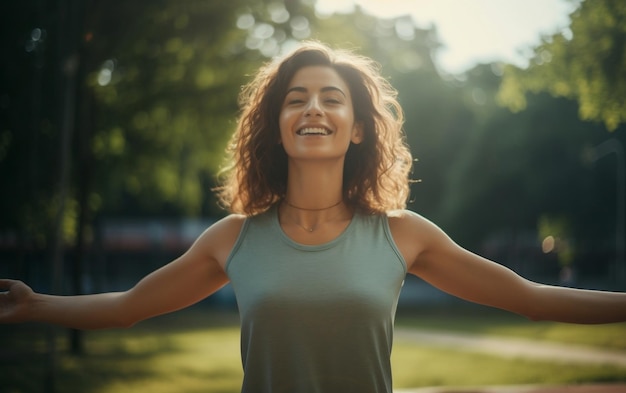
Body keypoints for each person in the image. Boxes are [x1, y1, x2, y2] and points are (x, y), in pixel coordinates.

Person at [1, 40, 625, 393]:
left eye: (333, 99)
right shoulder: (234, 240)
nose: (314, 109)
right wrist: (33, 306)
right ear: (276, 126)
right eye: (296, 99)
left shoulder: (402, 234)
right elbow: (128, 307)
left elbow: (531, 299)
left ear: (357, 128)